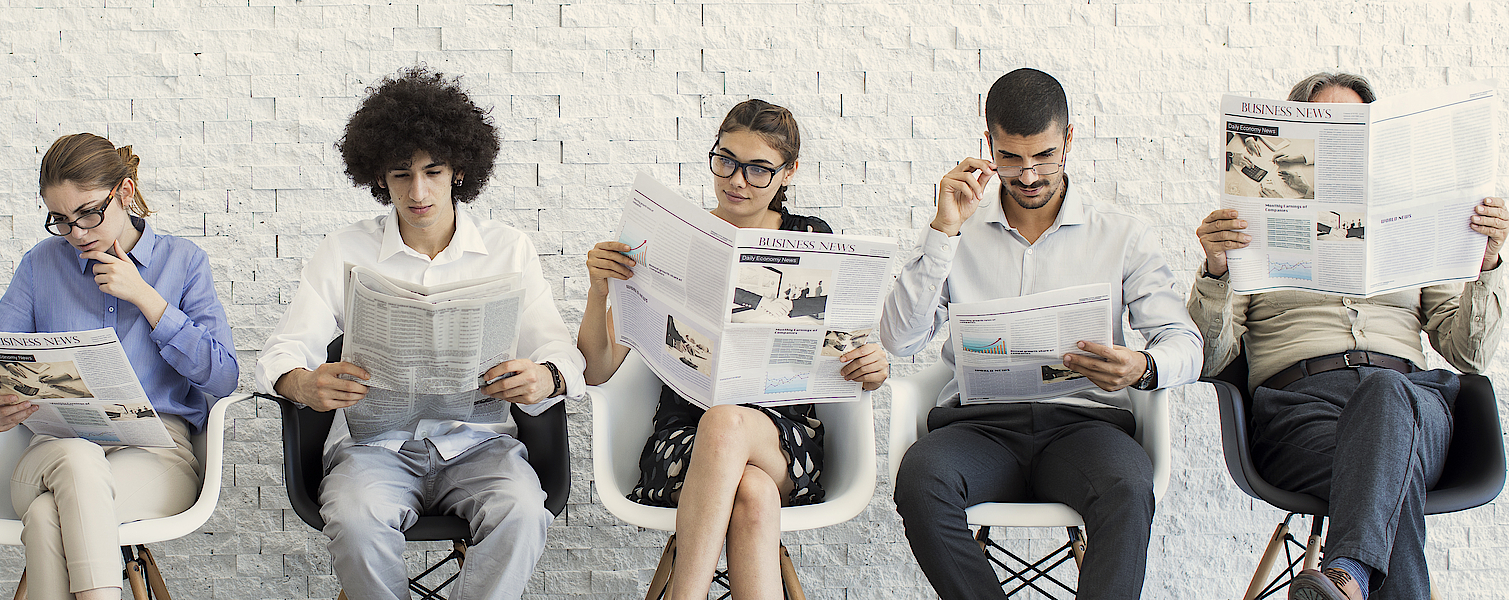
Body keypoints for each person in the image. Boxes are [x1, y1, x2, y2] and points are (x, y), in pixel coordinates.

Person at [255, 66, 583, 600]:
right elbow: (284, 350)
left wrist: (546, 377)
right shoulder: (345, 250)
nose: (418, 191)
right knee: (357, 519)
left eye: (433, 171)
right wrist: (302, 384)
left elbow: (558, 350)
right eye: (401, 175)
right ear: (379, 177)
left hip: (482, 448)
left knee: (523, 511)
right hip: (374, 450)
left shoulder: (509, 249)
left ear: (458, 171)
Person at [880, 68, 1202, 599]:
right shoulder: (957, 229)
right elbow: (898, 340)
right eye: (1010, 158)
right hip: (978, 430)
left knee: (1126, 486)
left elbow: (1185, 342)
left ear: (1069, 140)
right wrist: (942, 233)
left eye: (1044, 157)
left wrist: (1143, 366)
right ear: (988, 146)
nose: (1028, 176)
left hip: (1085, 428)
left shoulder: (1122, 235)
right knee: (920, 480)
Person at [1191, 72, 1509, 600]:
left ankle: (1351, 575)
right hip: (1299, 414)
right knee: (1386, 481)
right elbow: (1210, 356)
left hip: (1412, 404)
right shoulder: (1250, 226)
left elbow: (1469, 353)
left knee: (1385, 404)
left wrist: (1489, 263)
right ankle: (1351, 576)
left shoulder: (1412, 220)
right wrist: (1218, 271)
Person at [581, 99, 889, 599]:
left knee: (726, 421)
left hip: (785, 442)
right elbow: (597, 369)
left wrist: (872, 366)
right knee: (751, 493)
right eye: (725, 160)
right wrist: (599, 292)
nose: (736, 181)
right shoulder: (674, 237)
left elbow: (846, 351)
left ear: (789, 172)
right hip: (684, 444)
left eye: (758, 169)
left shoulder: (812, 239)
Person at [0, 133, 238, 600]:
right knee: (77, 457)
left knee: (47, 518)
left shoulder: (182, 262)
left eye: (88, 213)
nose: (77, 233)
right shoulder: (42, 265)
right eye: (61, 220)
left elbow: (223, 376)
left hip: (158, 458)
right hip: (53, 454)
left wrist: (146, 298)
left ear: (123, 193)